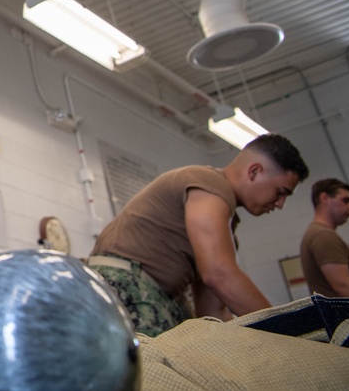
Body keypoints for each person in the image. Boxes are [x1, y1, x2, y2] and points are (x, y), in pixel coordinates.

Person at [87, 134, 309, 337]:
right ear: (255, 172)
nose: (280, 204)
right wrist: (288, 331)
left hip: (151, 292)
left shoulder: (223, 225)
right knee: (163, 372)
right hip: (126, 285)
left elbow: (211, 311)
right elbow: (219, 274)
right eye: (281, 192)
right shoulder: (210, 184)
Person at [299, 178, 349, 297]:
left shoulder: (316, 233)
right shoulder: (323, 235)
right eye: (345, 200)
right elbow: (344, 287)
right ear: (324, 198)